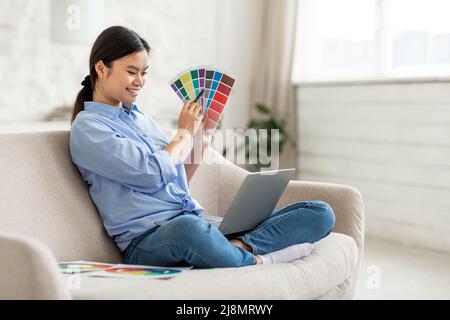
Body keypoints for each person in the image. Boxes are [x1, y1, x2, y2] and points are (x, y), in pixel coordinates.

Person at [69, 26, 336, 269]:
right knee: (189, 230)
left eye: (144, 73)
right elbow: (149, 173)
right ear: (101, 69)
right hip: (148, 239)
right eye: (131, 72)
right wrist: (183, 134)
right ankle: (259, 258)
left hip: (195, 221)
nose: (140, 81)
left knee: (319, 212)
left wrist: (200, 136)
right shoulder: (89, 128)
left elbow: (179, 175)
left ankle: (237, 248)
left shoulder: (140, 118)